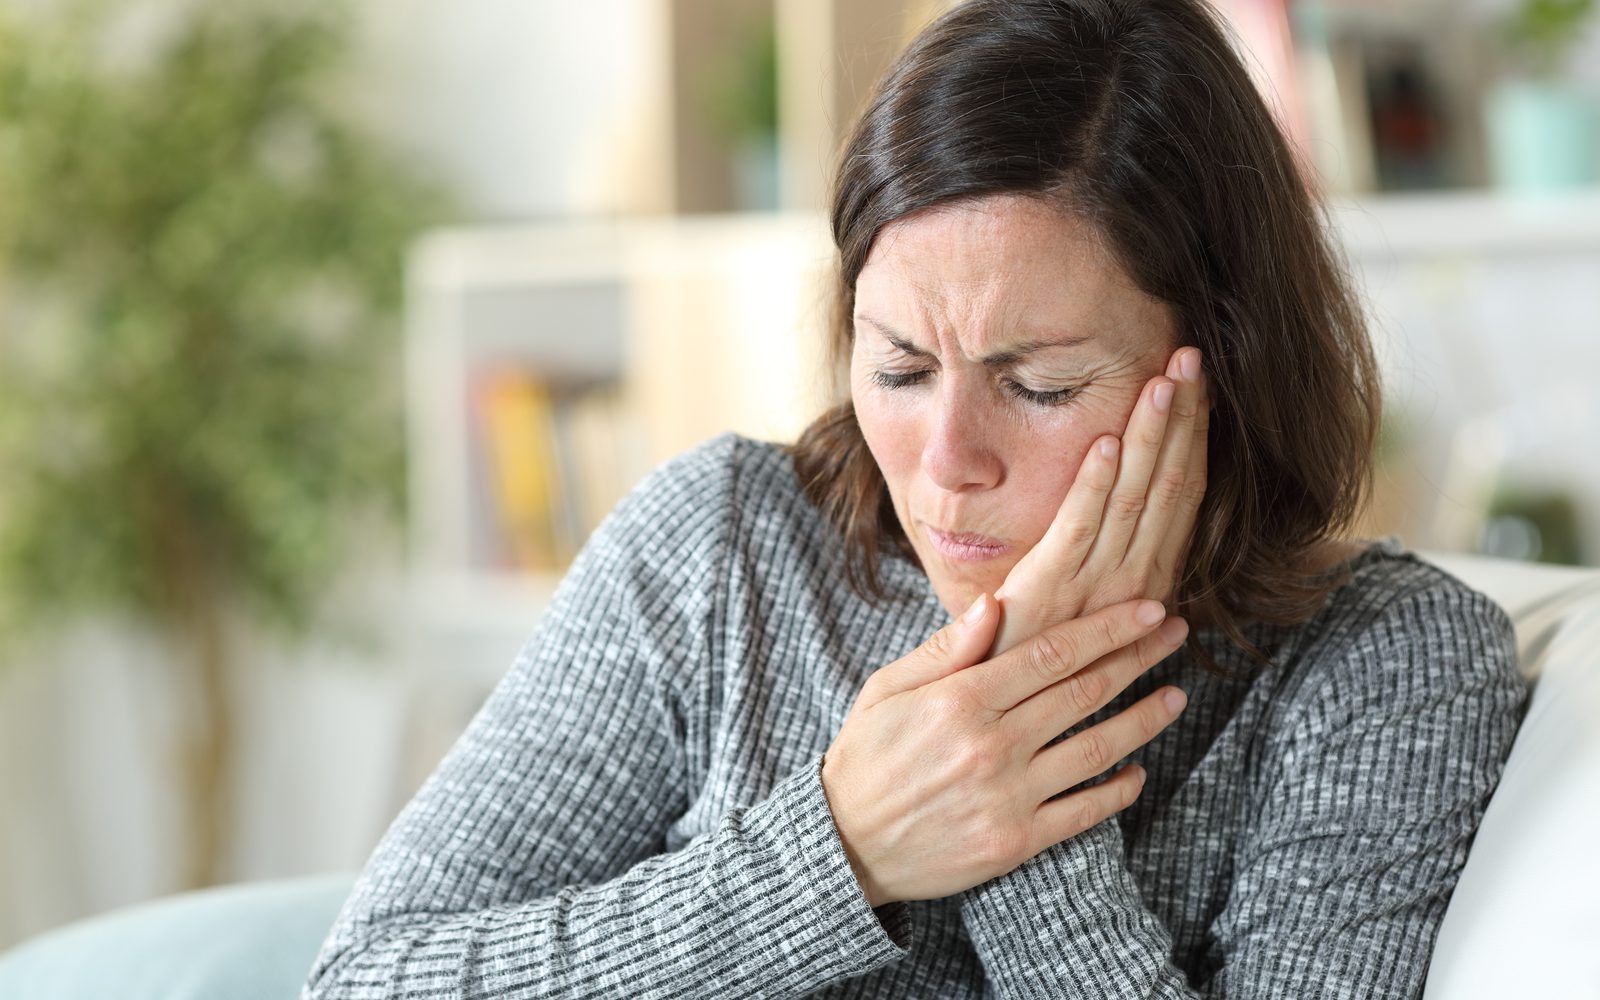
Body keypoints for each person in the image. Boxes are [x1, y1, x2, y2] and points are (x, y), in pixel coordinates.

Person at [303, 0, 1529, 996]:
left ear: (1221, 367)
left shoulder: (1381, 667)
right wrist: (838, 851)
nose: (945, 457)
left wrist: (1013, 782)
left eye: (1037, 385)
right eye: (897, 366)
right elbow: (366, 979)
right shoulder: (720, 547)